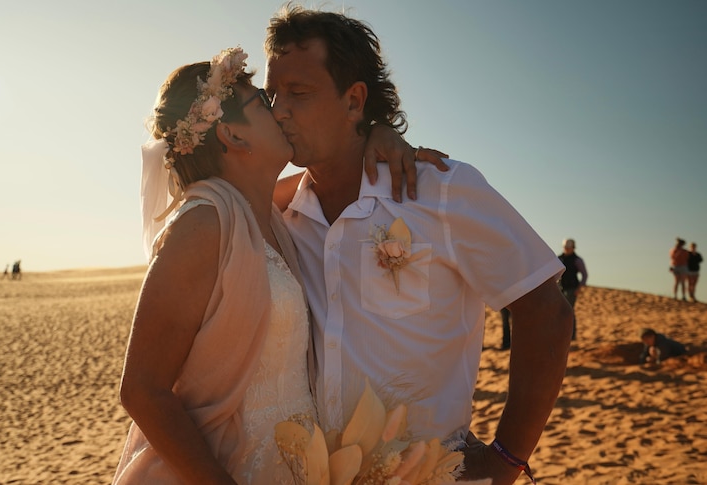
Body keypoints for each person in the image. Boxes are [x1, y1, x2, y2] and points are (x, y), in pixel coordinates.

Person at [265, 6, 573, 485]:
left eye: (298, 93)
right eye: (272, 94)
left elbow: (547, 313)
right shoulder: (280, 215)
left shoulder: (440, 191)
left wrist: (506, 460)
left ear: (354, 101)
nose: (278, 109)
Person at [111, 47, 316, 485]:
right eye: (262, 102)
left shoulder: (267, 215)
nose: (280, 112)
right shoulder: (204, 223)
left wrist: (378, 138)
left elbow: (330, 177)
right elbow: (142, 389)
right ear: (233, 137)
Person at [558, 238, 588, 340]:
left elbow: (584, 275)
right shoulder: (559, 259)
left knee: (568, 311)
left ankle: (572, 335)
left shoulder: (577, 260)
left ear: (573, 248)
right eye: (565, 247)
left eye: (568, 247)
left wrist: (579, 288)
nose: (567, 249)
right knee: (559, 312)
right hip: (560, 289)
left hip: (571, 289)